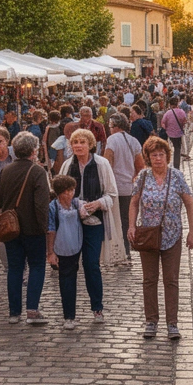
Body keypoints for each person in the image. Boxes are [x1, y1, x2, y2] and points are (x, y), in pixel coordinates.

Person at [128, 136, 193, 340]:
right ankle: (151, 321)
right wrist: (131, 225)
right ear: (148, 157)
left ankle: (172, 323)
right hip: (148, 235)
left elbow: (190, 204)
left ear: (167, 155)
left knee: (171, 280)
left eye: (161, 154)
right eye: (154, 155)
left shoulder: (176, 176)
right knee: (149, 279)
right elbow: (133, 202)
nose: (158, 158)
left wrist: (192, 232)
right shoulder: (143, 177)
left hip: (172, 234)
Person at [57, 129, 126, 321]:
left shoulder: (101, 164)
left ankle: (97, 307)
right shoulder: (67, 165)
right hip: (70, 223)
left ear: (90, 144)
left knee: (91, 264)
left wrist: (97, 203)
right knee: (68, 267)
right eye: (75, 142)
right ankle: (69, 315)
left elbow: (111, 194)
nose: (78, 145)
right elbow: (58, 193)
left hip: (94, 222)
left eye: (82, 142)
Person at [0, 131, 52, 325]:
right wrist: (45, 229)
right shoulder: (37, 172)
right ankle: (32, 310)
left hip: (12, 229)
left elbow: (0, 201)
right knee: (36, 266)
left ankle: (14, 312)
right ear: (33, 151)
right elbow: (41, 205)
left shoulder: (6, 171)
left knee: (15, 268)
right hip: (33, 228)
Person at [47, 175, 86, 330]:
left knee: (72, 279)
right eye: (66, 191)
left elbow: (85, 211)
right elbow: (50, 230)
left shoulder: (76, 204)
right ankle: (68, 315)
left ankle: (71, 314)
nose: (70, 194)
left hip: (76, 246)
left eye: (72, 190)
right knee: (66, 282)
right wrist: (50, 252)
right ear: (59, 193)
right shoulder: (53, 207)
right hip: (61, 247)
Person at [104, 114, 144, 259]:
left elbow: (107, 163)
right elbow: (140, 166)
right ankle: (126, 248)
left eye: (109, 126)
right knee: (127, 220)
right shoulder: (133, 141)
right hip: (129, 186)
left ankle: (117, 249)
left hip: (114, 186)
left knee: (115, 219)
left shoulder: (112, 140)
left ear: (115, 126)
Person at [161, 98, 188, 170]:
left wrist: (167, 128)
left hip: (170, 134)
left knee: (170, 148)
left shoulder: (167, 113)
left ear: (170, 104)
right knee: (177, 149)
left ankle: (168, 163)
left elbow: (163, 123)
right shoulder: (181, 112)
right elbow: (184, 121)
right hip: (178, 133)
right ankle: (176, 166)